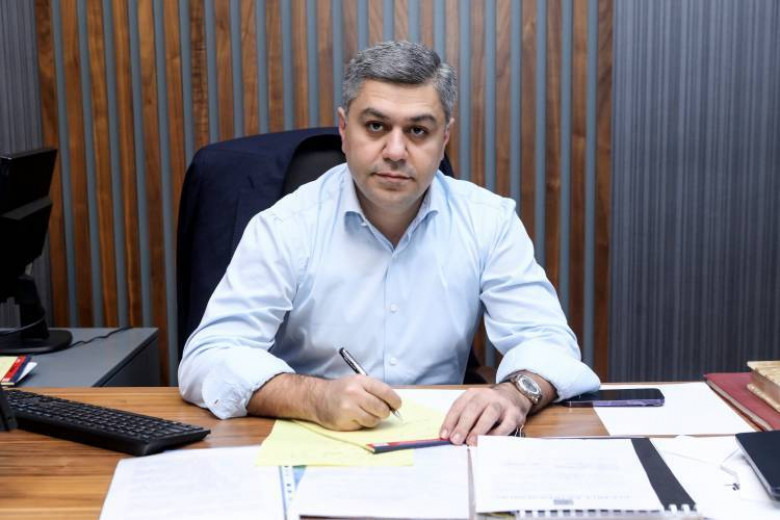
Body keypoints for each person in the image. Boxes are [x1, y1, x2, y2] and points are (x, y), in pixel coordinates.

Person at [179, 40, 599, 446]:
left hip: (444, 444)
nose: (396, 151)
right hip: (315, 440)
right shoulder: (285, 225)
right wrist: (314, 398)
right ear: (344, 129)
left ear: (444, 139)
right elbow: (209, 356)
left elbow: (547, 340)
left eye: (418, 130)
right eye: (376, 126)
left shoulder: (488, 221)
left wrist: (515, 393)